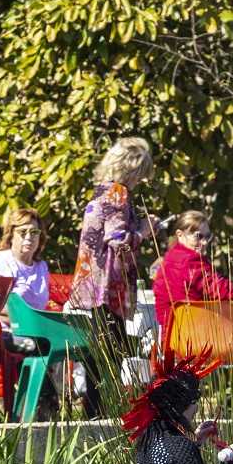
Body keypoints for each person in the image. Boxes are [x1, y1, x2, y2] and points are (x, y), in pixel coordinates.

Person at [66, 137, 152, 325]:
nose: (141, 180)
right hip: (107, 288)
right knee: (114, 350)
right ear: (130, 170)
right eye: (140, 173)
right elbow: (117, 239)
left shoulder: (103, 191)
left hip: (90, 285)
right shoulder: (117, 194)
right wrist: (143, 232)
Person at [152, 210, 233, 331]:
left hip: (170, 341)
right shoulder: (191, 262)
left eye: (207, 236)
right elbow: (221, 290)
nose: (204, 242)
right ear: (180, 234)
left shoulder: (168, 260)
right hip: (197, 339)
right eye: (198, 236)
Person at [0, 208, 51, 311]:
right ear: (11, 236)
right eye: (22, 232)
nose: (29, 237)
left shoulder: (42, 267)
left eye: (34, 232)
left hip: (36, 326)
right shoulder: (1, 261)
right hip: (8, 326)